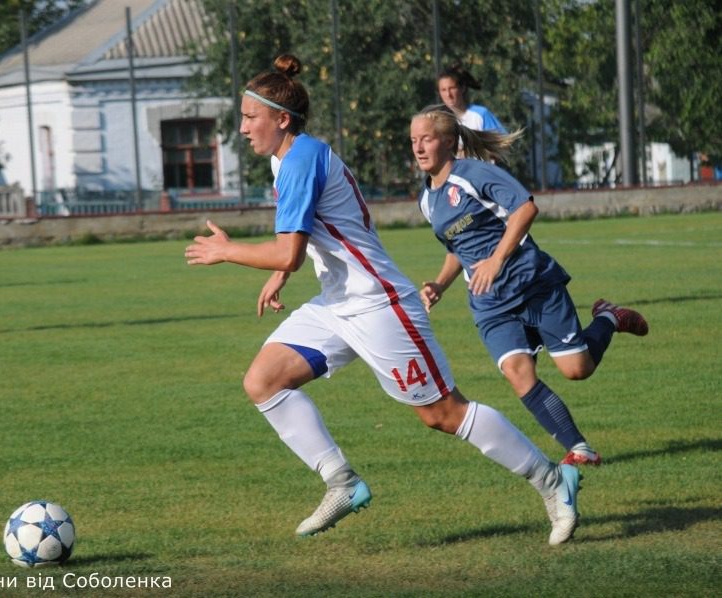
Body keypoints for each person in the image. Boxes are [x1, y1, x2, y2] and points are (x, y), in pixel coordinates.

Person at [185, 55, 581, 546]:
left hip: (379, 304)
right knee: (263, 381)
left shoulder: (303, 159)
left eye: (250, 116)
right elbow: (303, 239)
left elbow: (287, 250)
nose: (241, 128)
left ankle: (552, 479)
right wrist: (281, 276)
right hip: (337, 302)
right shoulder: (287, 156)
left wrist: (229, 252)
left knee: (442, 414)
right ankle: (342, 483)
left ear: (281, 119)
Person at [410, 104, 649, 467]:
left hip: (530, 281)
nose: (418, 147)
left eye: (426, 139)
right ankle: (579, 448)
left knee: (577, 369)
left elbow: (524, 208)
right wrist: (440, 285)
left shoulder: (474, 174)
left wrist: (497, 259)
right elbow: (457, 248)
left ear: (447, 140)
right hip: (488, 301)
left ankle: (609, 318)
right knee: (518, 374)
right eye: (413, 140)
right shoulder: (427, 199)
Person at [437, 63, 507, 135]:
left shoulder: (481, 115)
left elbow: (503, 142)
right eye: (443, 90)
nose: (448, 94)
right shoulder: (439, 122)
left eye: (452, 88)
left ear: (463, 88)